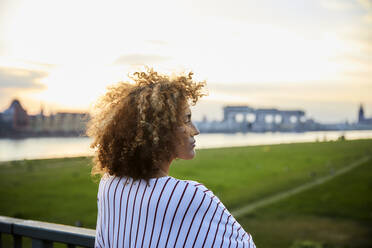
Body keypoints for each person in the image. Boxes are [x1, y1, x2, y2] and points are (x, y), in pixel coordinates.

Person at [87, 68, 256, 248]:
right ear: (160, 130)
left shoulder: (109, 186)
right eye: (187, 119)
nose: (195, 130)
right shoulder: (192, 195)